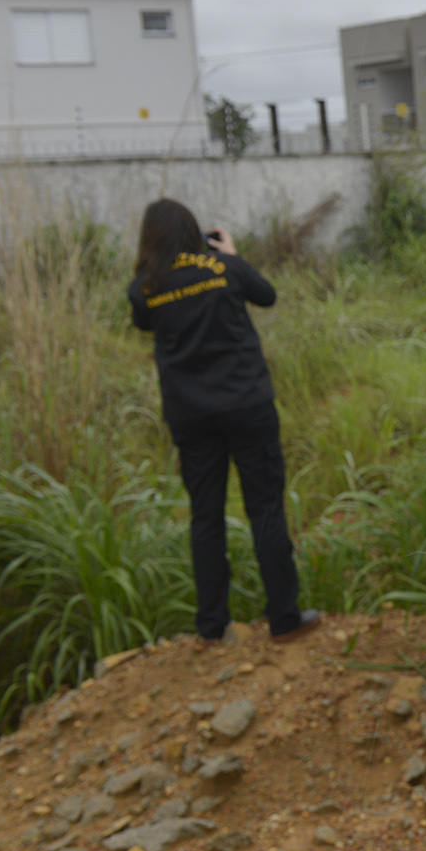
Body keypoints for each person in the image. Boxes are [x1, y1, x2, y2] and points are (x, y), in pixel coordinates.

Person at [127, 198, 319, 647]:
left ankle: (212, 626)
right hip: (247, 405)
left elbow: (144, 323)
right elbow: (266, 295)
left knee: (206, 517)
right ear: (194, 230)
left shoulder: (145, 287)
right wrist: (230, 255)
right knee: (265, 507)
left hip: (191, 416)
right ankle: (284, 618)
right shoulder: (223, 267)